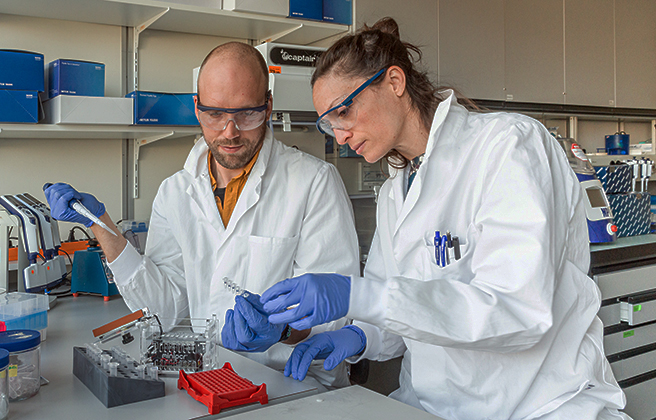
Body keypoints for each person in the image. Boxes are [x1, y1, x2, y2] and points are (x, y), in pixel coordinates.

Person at [259, 18, 631, 420]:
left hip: (539, 406)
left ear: (395, 82)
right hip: (434, 408)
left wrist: (355, 295)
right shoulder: (394, 193)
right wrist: (358, 335)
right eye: (328, 124)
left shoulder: (507, 147)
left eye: (343, 111)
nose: (340, 136)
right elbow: (402, 311)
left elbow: (516, 311)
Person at [44, 41, 359, 387]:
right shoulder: (175, 192)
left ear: (268, 106)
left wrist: (283, 330)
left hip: (291, 385)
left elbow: (338, 314)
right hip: (207, 380)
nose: (230, 131)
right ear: (197, 108)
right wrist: (101, 225)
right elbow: (165, 307)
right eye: (215, 115)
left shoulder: (313, 183)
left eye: (246, 114)